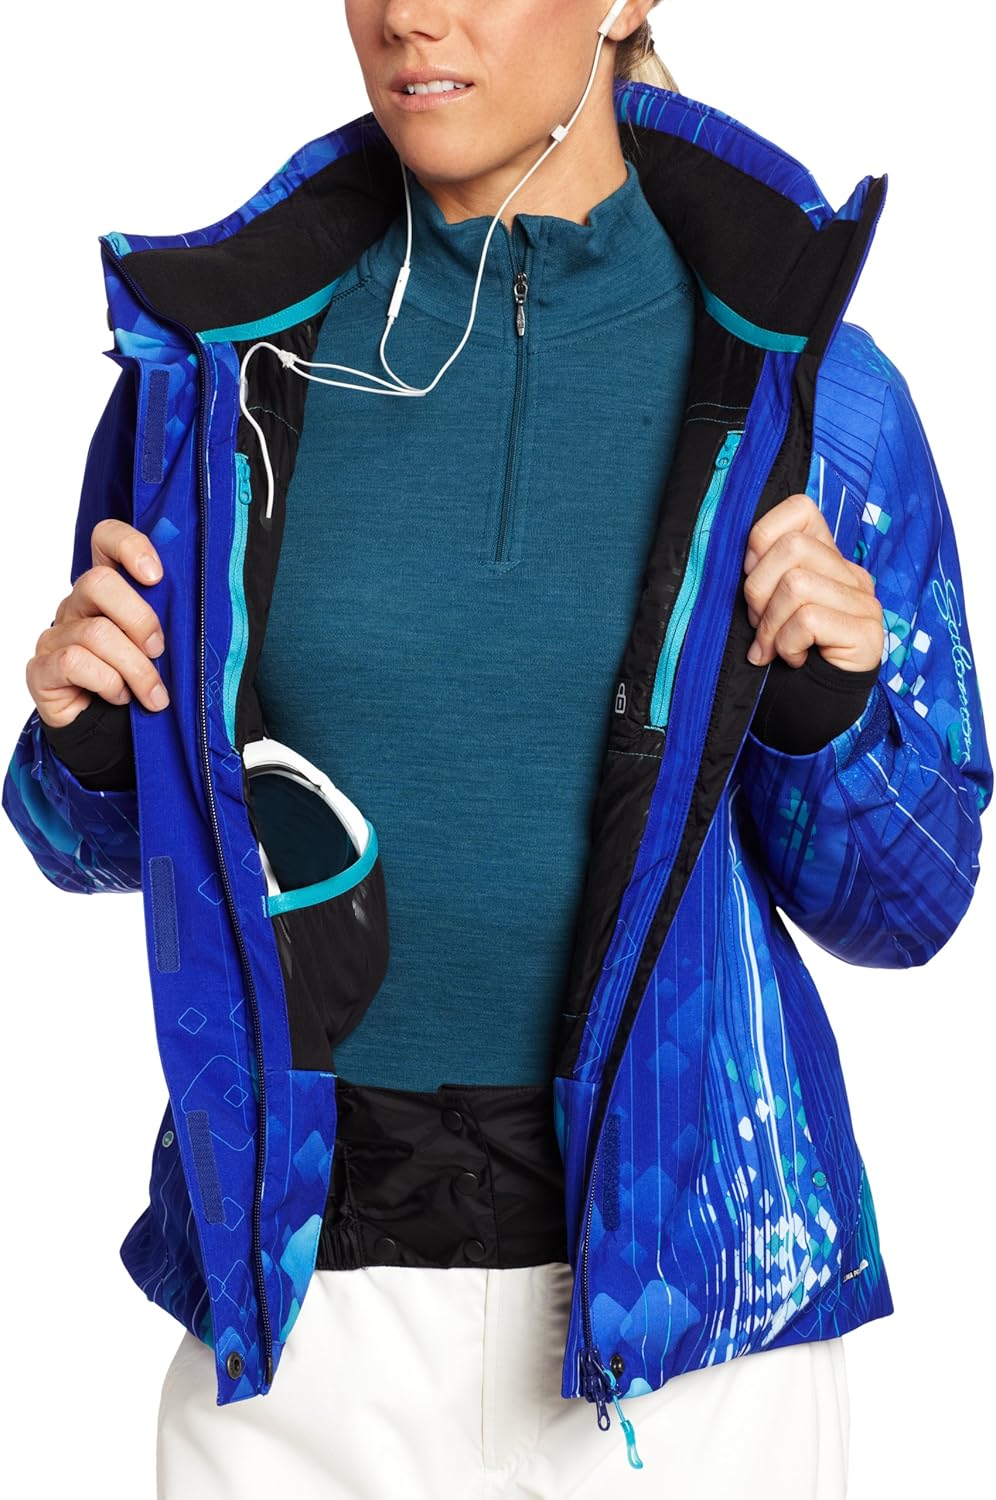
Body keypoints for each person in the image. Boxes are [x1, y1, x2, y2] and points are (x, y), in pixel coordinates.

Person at [3, 2, 991, 1497]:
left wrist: (822, 711)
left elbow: (911, 901)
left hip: (692, 1341)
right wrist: (82, 746)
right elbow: (104, 849)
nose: (411, 14)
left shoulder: (812, 397)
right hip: (294, 1318)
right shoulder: (206, 378)